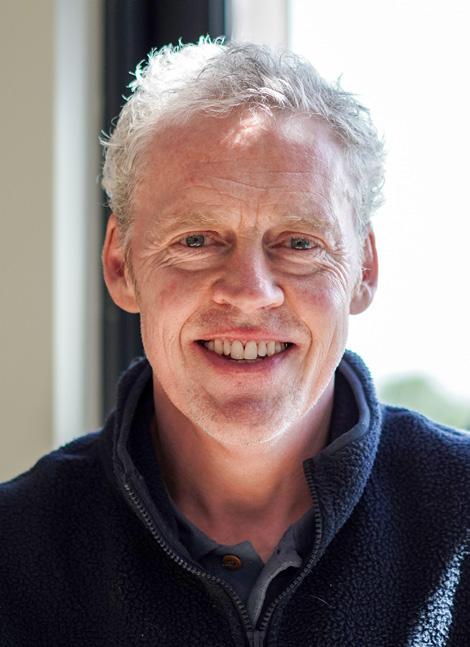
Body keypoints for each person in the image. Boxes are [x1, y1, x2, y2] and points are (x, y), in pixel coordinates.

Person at [1, 38, 469, 647]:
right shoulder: (14, 554)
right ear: (121, 265)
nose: (250, 293)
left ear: (364, 268)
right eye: (196, 241)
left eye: (299, 243)